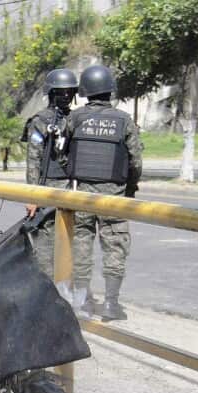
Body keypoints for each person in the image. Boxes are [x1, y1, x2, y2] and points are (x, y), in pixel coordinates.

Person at [61, 64, 142, 321]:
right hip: (113, 198)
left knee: (82, 246)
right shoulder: (124, 120)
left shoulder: (75, 118)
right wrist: (129, 189)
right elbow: (135, 161)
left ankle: (82, 301)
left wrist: (73, 175)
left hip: (82, 194)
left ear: (85, 90)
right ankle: (110, 304)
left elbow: (62, 154)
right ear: (110, 90)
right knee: (115, 247)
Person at [21, 69, 78, 280]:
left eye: (69, 92)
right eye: (61, 92)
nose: (65, 97)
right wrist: (32, 195)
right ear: (52, 93)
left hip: (74, 186)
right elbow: (33, 159)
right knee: (46, 238)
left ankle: (68, 283)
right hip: (49, 186)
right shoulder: (40, 121)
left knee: (72, 238)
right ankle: (47, 283)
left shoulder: (77, 118)